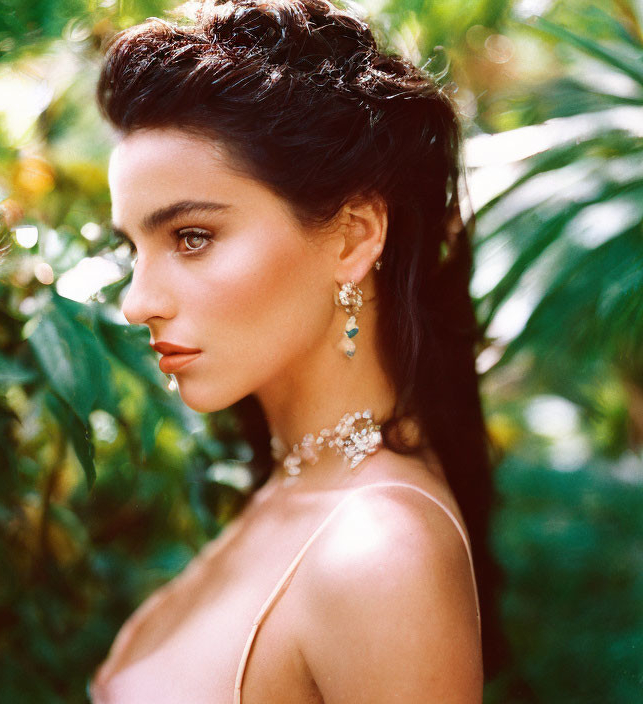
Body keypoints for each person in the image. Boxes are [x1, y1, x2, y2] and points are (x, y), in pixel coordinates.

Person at [89, 0, 509, 701]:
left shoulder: (381, 552)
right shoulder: (296, 485)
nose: (137, 303)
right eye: (131, 248)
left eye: (191, 237)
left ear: (352, 236)